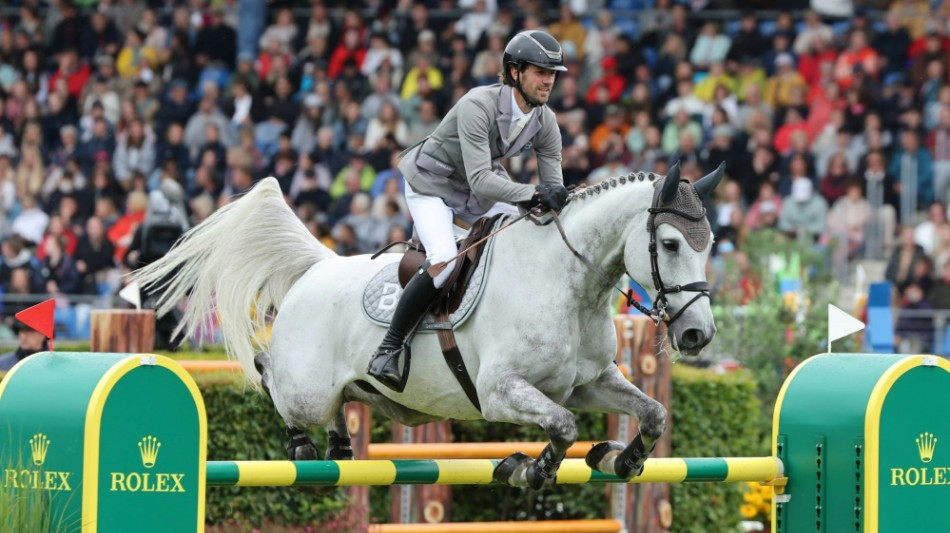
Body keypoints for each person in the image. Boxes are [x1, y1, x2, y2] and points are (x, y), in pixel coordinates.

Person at [367, 30, 570, 390]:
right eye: (540, 71)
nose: (548, 80)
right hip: (431, 184)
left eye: (552, 73)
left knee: (531, 231)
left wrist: (554, 201)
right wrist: (534, 193)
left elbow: (550, 192)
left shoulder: (546, 122)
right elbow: (481, 180)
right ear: (514, 72)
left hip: (475, 191)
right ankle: (389, 348)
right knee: (444, 260)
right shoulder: (478, 104)